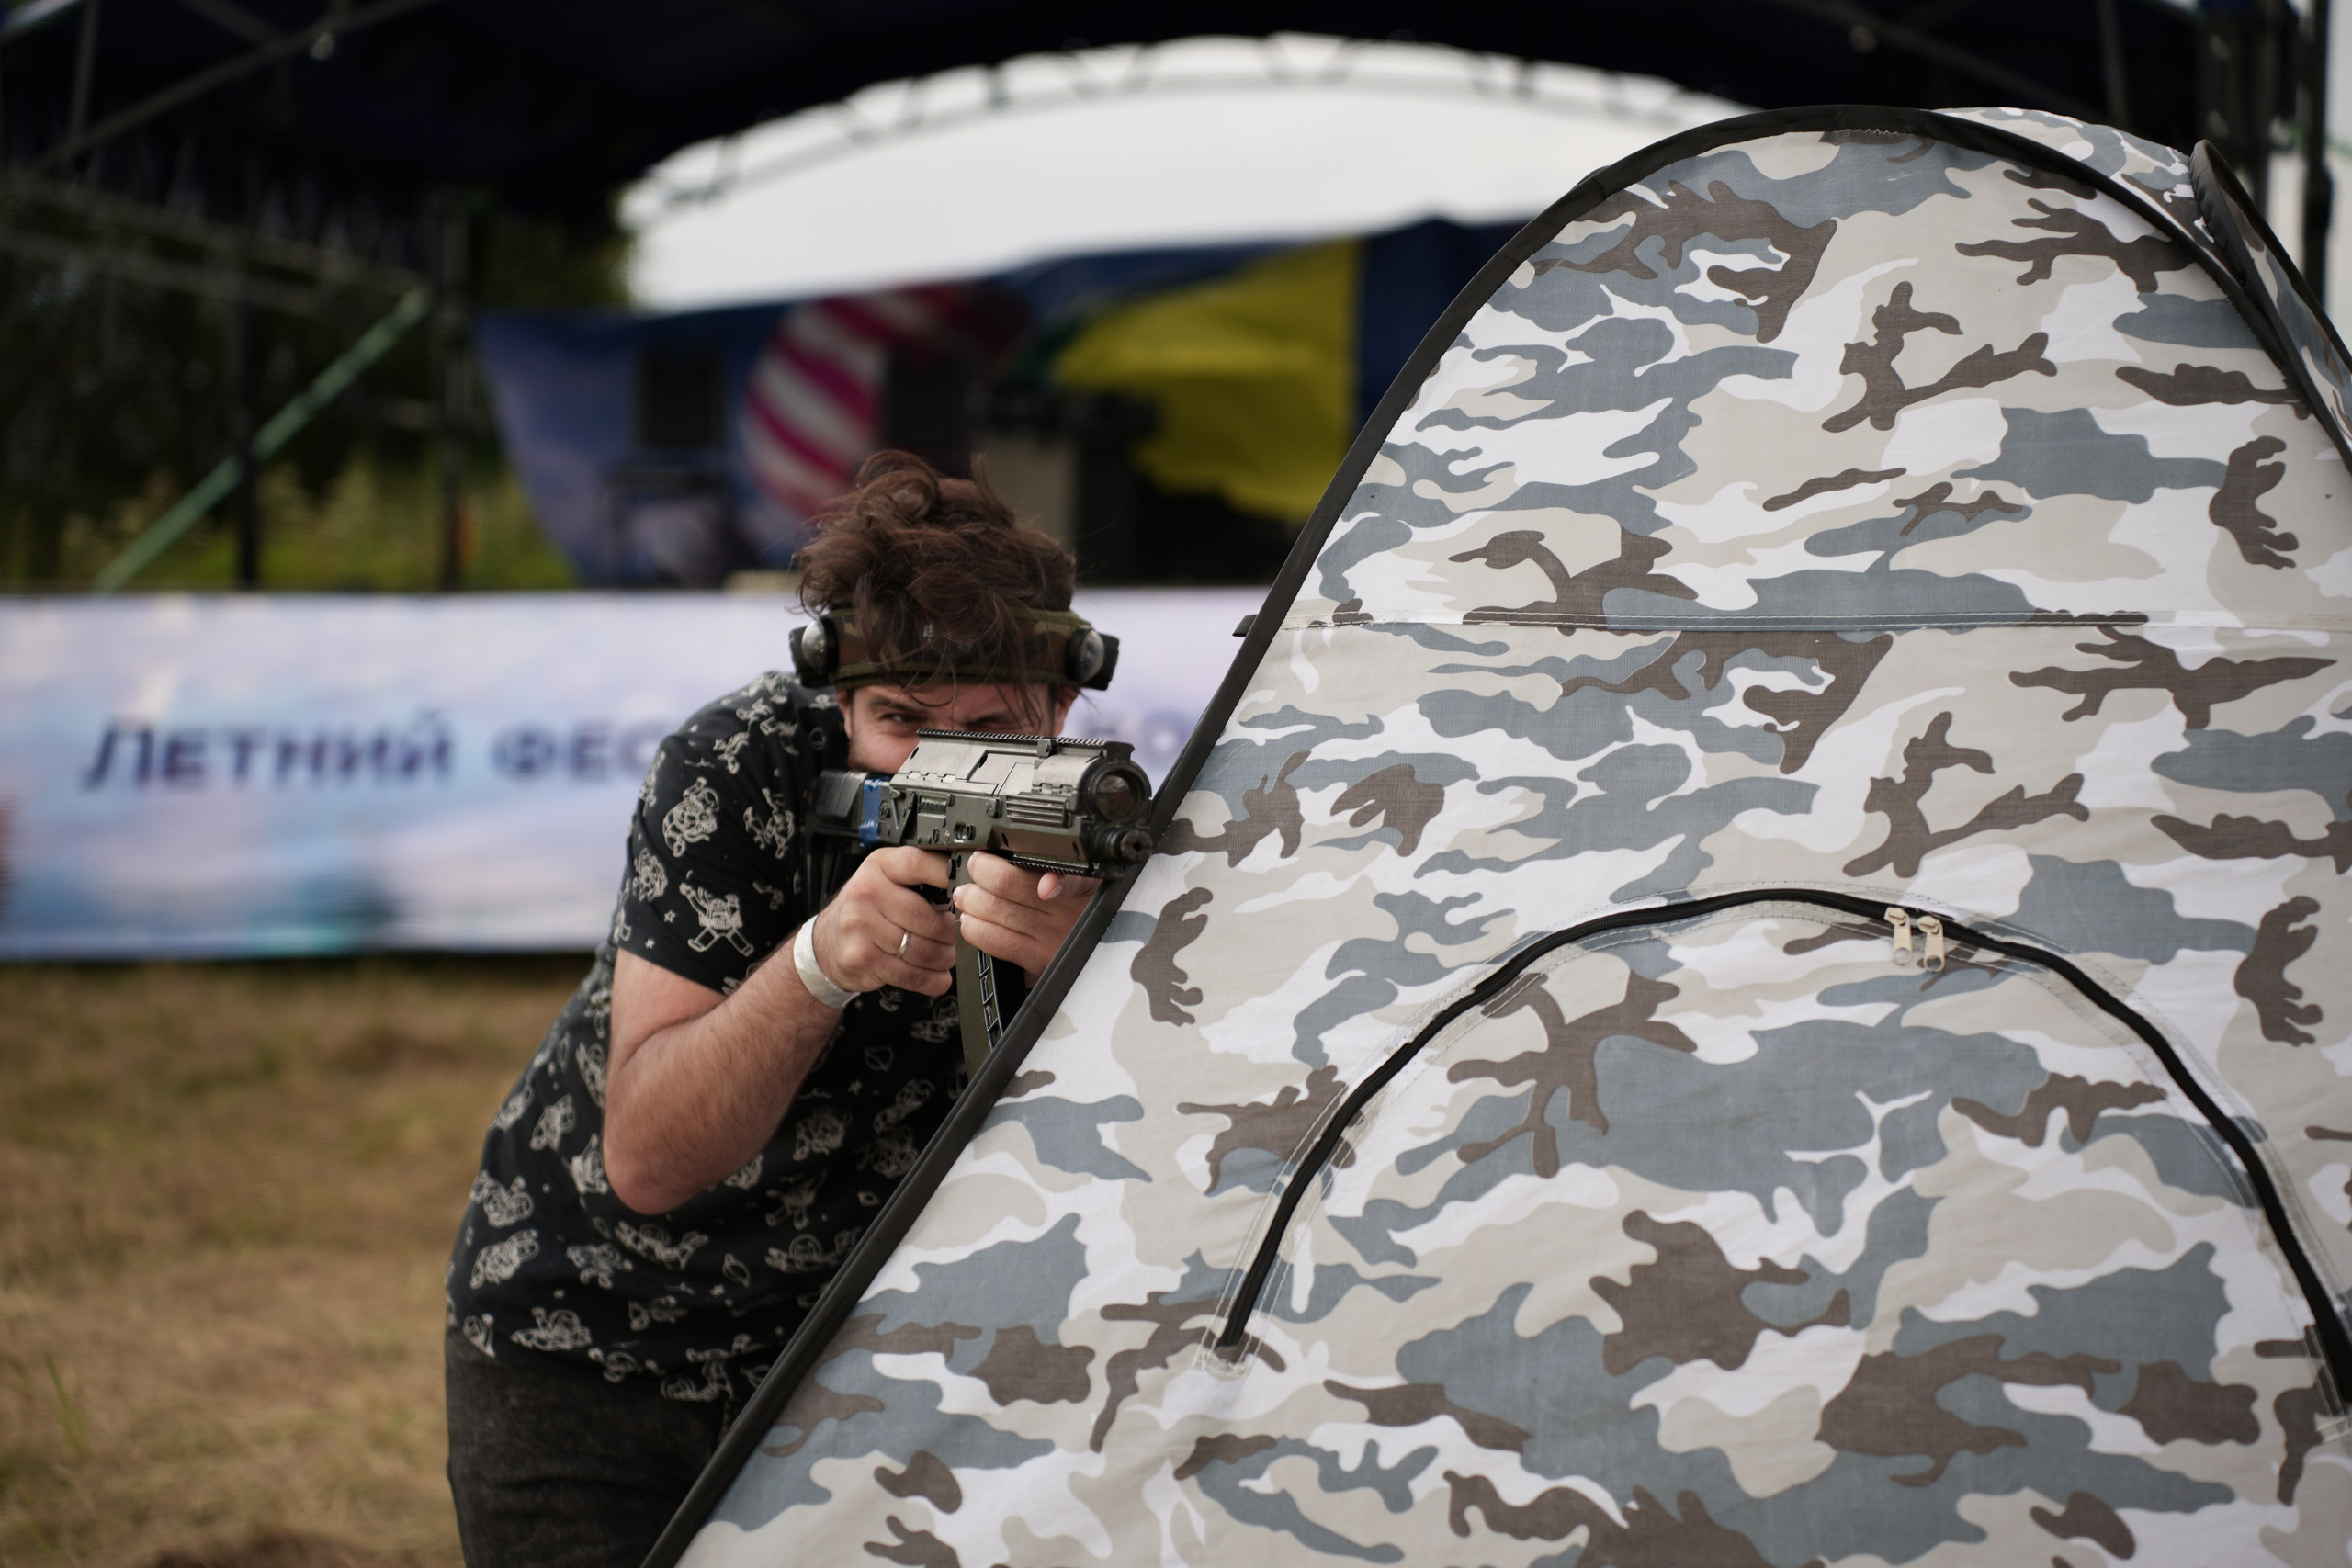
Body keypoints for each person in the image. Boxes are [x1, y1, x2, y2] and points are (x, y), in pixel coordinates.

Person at [441, 451, 1105, 1568]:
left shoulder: (1086, 824)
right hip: (592, 1348)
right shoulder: (737, 769)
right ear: (837, 701)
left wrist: (1083, 983)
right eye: (900, 721)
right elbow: (648, 1156)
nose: (943, 765)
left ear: (1063, 704)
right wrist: (818, 964)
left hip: (867, 1375)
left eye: (991, 724)